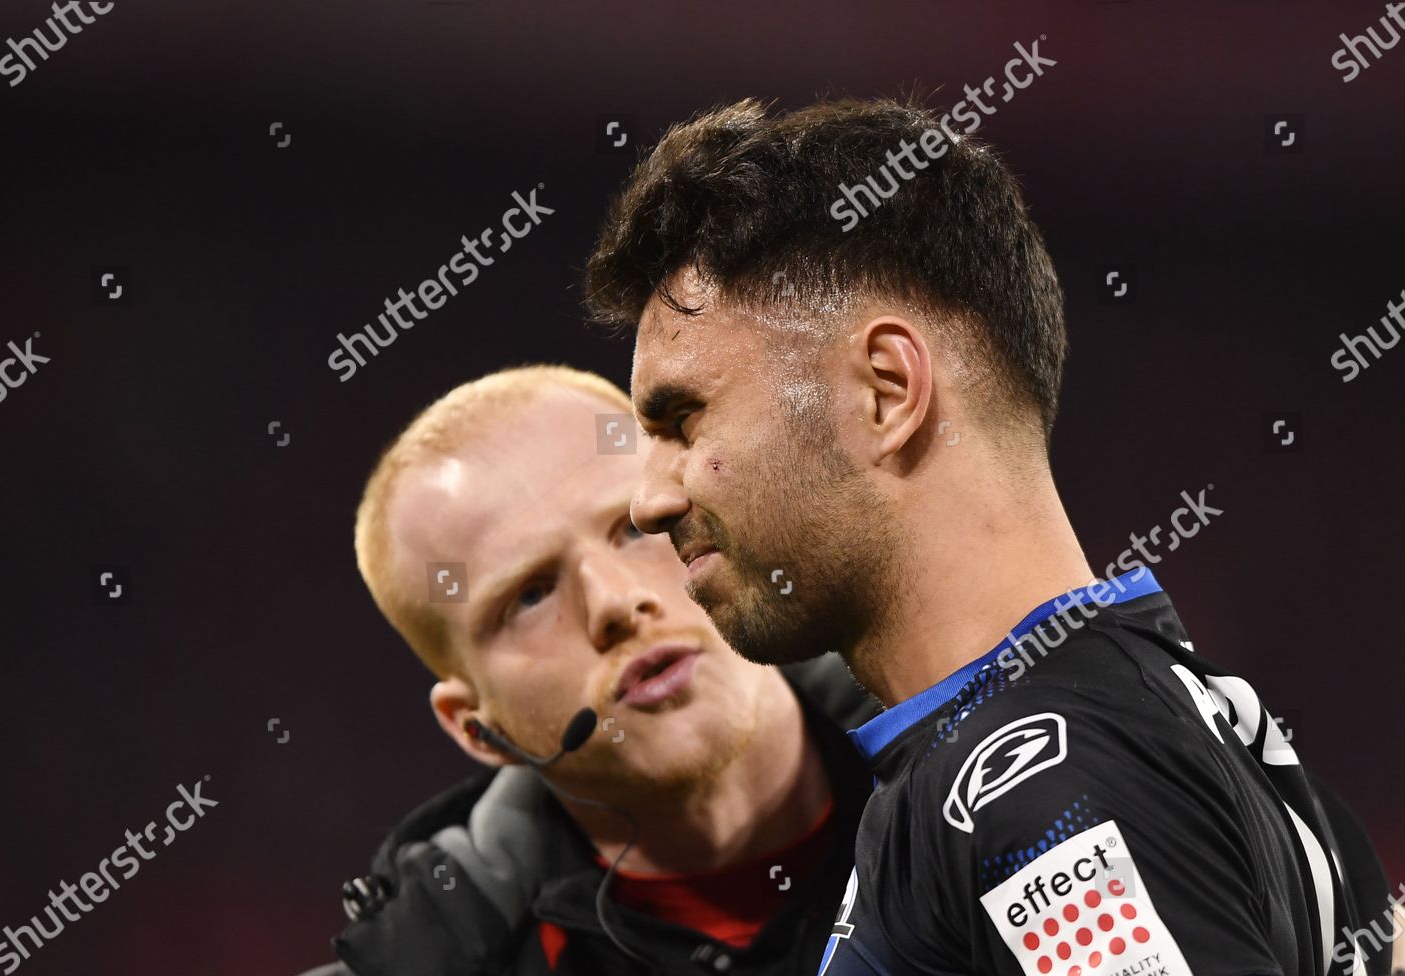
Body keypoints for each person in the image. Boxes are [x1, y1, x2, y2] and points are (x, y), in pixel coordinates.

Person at [585, 97, 1398, 975]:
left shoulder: (1041, 794)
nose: (649, 499)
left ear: (887, 393)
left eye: (683, 419)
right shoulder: (1199, 736)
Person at [298, 365, 878, 976]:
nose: (617, 602)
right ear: (476, 729)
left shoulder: (973, 743)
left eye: (633, 528)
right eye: (530, 596)